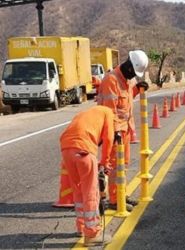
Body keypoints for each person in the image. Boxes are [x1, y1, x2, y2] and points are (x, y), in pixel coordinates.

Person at [97, 49, 149, 211]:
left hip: (124, 130)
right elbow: (109, 111)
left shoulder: (127, 80)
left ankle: (121, 193)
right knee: (114, 166)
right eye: (134, 73)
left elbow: (124, 101)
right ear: (128, 67)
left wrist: (137, 89)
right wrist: (115, 133)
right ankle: (114, 200)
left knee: (123, 165)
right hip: (114, 132)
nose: (134, 76)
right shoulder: (111, 80)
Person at [60, 106, 114, 247]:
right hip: (83, 148)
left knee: (77, 189)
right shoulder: (108, 113)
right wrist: (104, 163)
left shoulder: (87, 113)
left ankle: (81, 227)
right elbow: (108, 138)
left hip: (66, 148)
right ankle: (92, 234)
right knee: (91, 192)